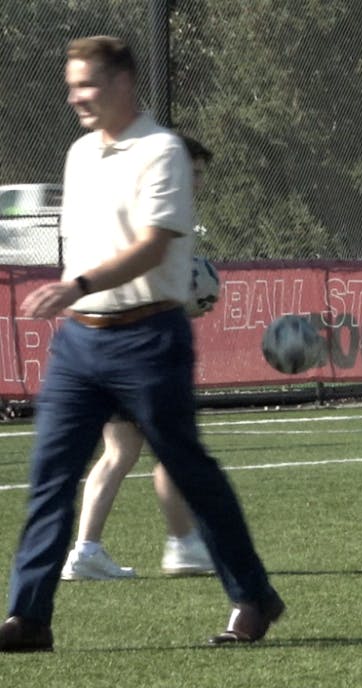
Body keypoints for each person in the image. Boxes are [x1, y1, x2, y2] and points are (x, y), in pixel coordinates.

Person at [0, 35, 283, 653]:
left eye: (89, 83)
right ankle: (29, 618)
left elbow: (154, 246)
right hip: (81, 343)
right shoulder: (78, 154)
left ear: (124, 83)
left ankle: (253, 599)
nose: (76, 96)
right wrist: (77, 298)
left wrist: (74, 286)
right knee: (50, 475)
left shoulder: (163, 151)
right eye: (73, 84)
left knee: (187, 471)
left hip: (149, 336)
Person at [60, 135, 217, 582]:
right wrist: (182, 300)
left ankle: (86, 550)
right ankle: (183, 545)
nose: (200, 182)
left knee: (119, 452)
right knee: (169, 447)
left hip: (108, 341)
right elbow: (142, 274)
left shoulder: (144, 203)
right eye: (196, 172)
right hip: (137, 345)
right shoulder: (159, 209)